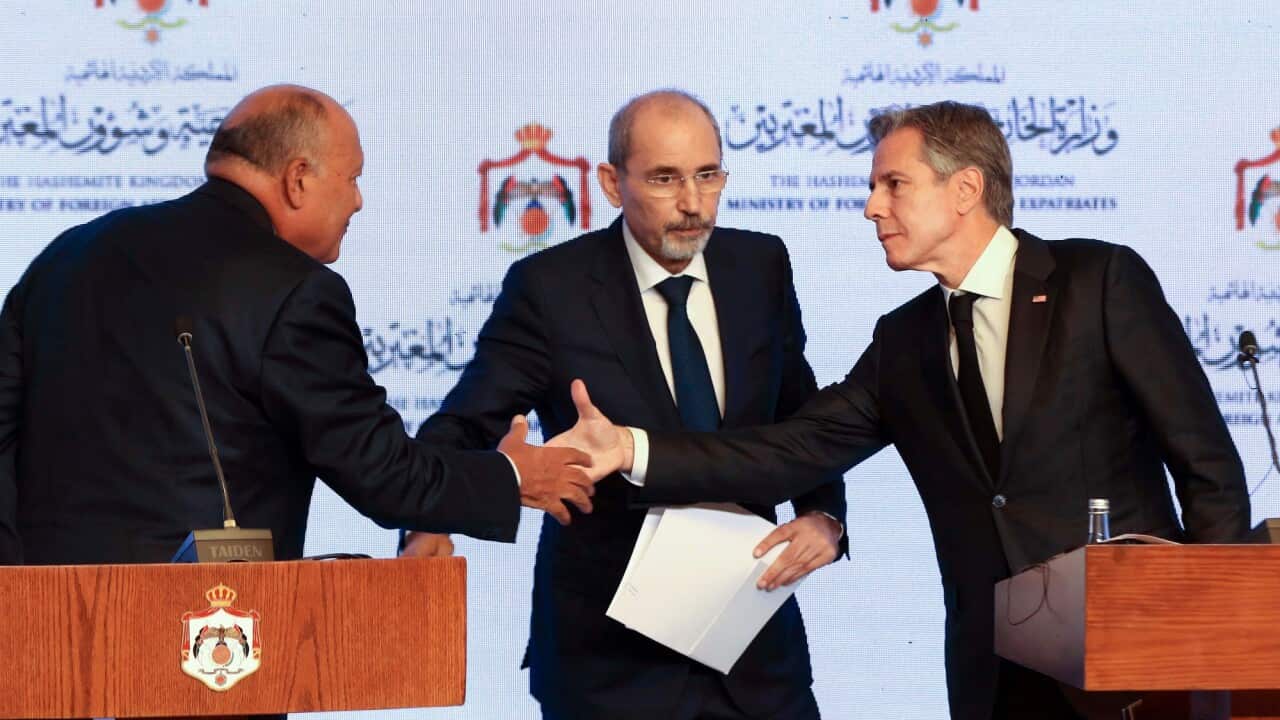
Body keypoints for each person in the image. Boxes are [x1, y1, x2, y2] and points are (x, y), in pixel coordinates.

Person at [555, 101, 1251, 720]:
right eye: (871, 187)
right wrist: (631, 450)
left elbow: (1207, 465)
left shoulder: (1097, 282)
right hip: (995, 676)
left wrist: (1209, 646)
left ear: (965, 190)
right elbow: (791, 450)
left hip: (1133, 661)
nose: (871, 207)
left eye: (894, 184)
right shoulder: (904, 341)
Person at [0, 84, 596, 567]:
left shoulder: (68, 254)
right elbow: (380, 472)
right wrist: (512, 474)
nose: (358, 202)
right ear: (298, 178)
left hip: (46, 636)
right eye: (353, 178)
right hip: (203, 645)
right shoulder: (296, 292)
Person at [401, 89, 847, 720]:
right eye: (665, 179)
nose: (693, 204)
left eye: (707, 175)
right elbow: (465, 422)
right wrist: (428, 522)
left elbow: (804, 417)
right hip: (610, 667)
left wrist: (825, 517)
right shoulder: (550, 288)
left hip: (753, 652)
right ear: (612, 183)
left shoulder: (761, 264)